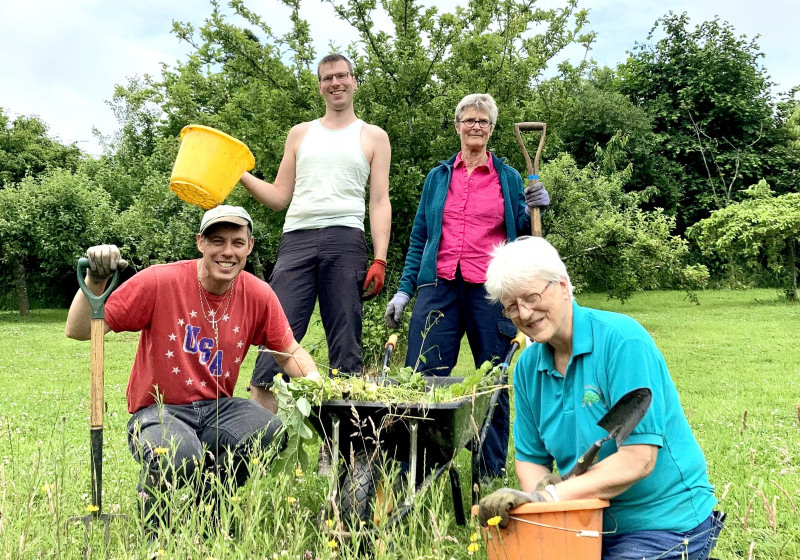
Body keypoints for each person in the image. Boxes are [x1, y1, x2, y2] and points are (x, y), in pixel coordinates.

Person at [65, 205, 321, 532]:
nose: (227, 252)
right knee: (177, 453)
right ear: (200, 242)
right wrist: (96, 280)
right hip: (158, 410)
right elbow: (80, 329)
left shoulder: (258, 294)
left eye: (237, 242)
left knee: (268, 431)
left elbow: (289, 352)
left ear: (250, 246)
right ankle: (156, 532)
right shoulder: (161, 281)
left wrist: (314, 381)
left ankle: (210, 513)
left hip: (218, 409)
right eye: (217, 241)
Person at [478, 236, 724, 560]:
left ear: (563, 285)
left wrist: (551, 498)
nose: (525, 313)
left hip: (663, 522)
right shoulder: (526, 368)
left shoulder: (622, 341)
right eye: (512, 306)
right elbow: (532, 457)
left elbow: (639, 459)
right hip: (581, 520)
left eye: (532, 296)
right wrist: (538, 505)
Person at [383, 93, 549, 478]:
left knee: (492, 379)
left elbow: (525, 237)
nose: (476, 126)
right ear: (457, 126)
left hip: (491, 290)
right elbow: (420, 235)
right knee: (421, 379)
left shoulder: (507, 178)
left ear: (491, 130)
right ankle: (418, 466)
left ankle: (488, 470)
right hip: (438, 286)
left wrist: (535, 209)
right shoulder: (438, 177)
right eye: (469, 120)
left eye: (484, 121)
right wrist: (406, 290)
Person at [240, 53, 391, 413]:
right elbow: (278, 197)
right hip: (297, 240)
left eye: (342, 76)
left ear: (355, 81)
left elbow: (380, 201)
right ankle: (257, 439)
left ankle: (347, 450)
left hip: (346, 241)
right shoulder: (301, 133)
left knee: (345, 342)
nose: (336, 83)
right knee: (276, 333)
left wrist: (380, 258)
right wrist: (240, 175)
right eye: (327, 78)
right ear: (320, 87)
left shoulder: (373, 136)